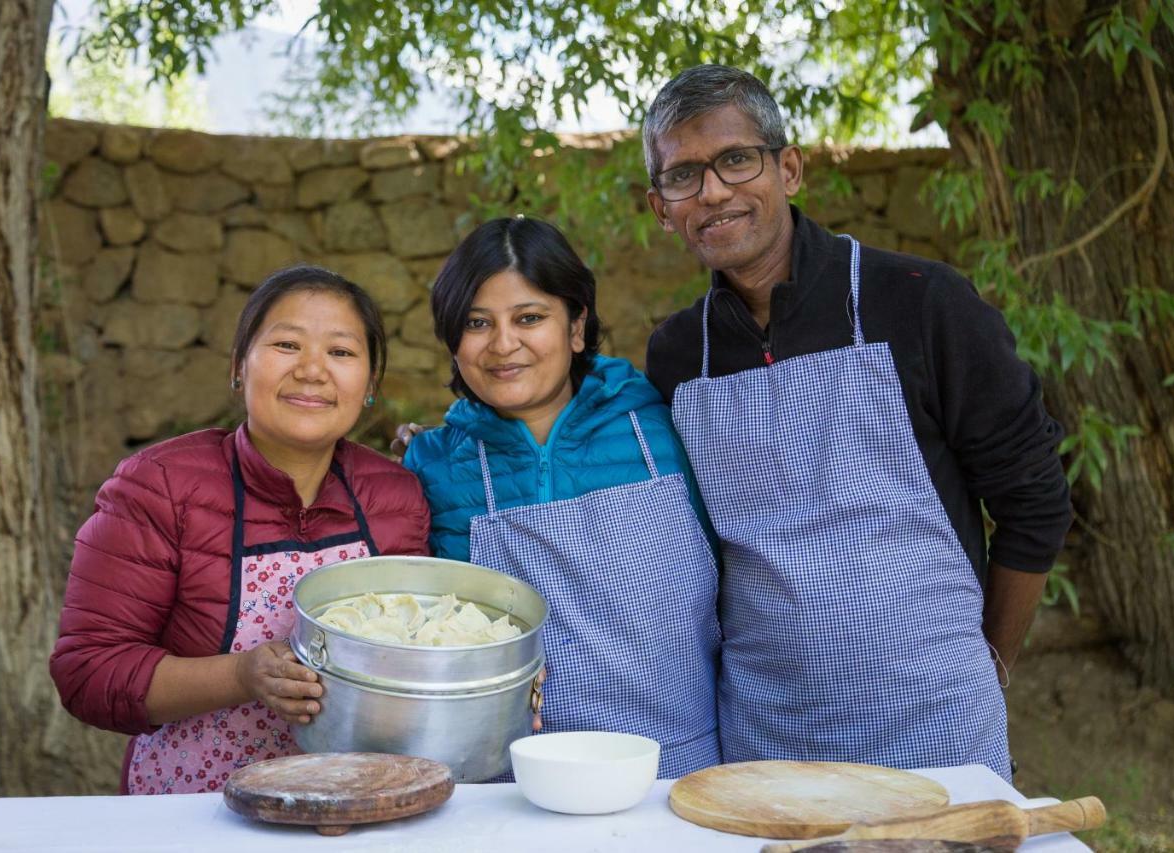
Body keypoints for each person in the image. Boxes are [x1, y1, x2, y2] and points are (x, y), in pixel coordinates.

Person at [640, 65, 1072, 780]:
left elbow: (1034, 497)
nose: (712, 191)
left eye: (735, 159)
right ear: (661, 208)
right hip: (767, 739)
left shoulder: (919, 302)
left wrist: (989, 662)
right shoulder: (680, 355)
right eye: (684, 176)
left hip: (938, 727)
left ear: (790, 168)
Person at [50, 265, 430, 794]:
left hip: (355, 805)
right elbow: (89, 671)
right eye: (287, 345)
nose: (313, 370)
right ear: (238, 366)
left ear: (369, 384)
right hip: (192, 813)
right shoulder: (159, 486)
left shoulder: (396, 495)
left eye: (341, 352)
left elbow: (419, 656)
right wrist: (241, 676)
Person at [402, 217, 722, 779]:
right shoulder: (430, 466)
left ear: (577, 326)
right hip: (508, 782)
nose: (504, 344)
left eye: (529, 318)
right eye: (477, 323)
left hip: (676, 767)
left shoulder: (667, 425)